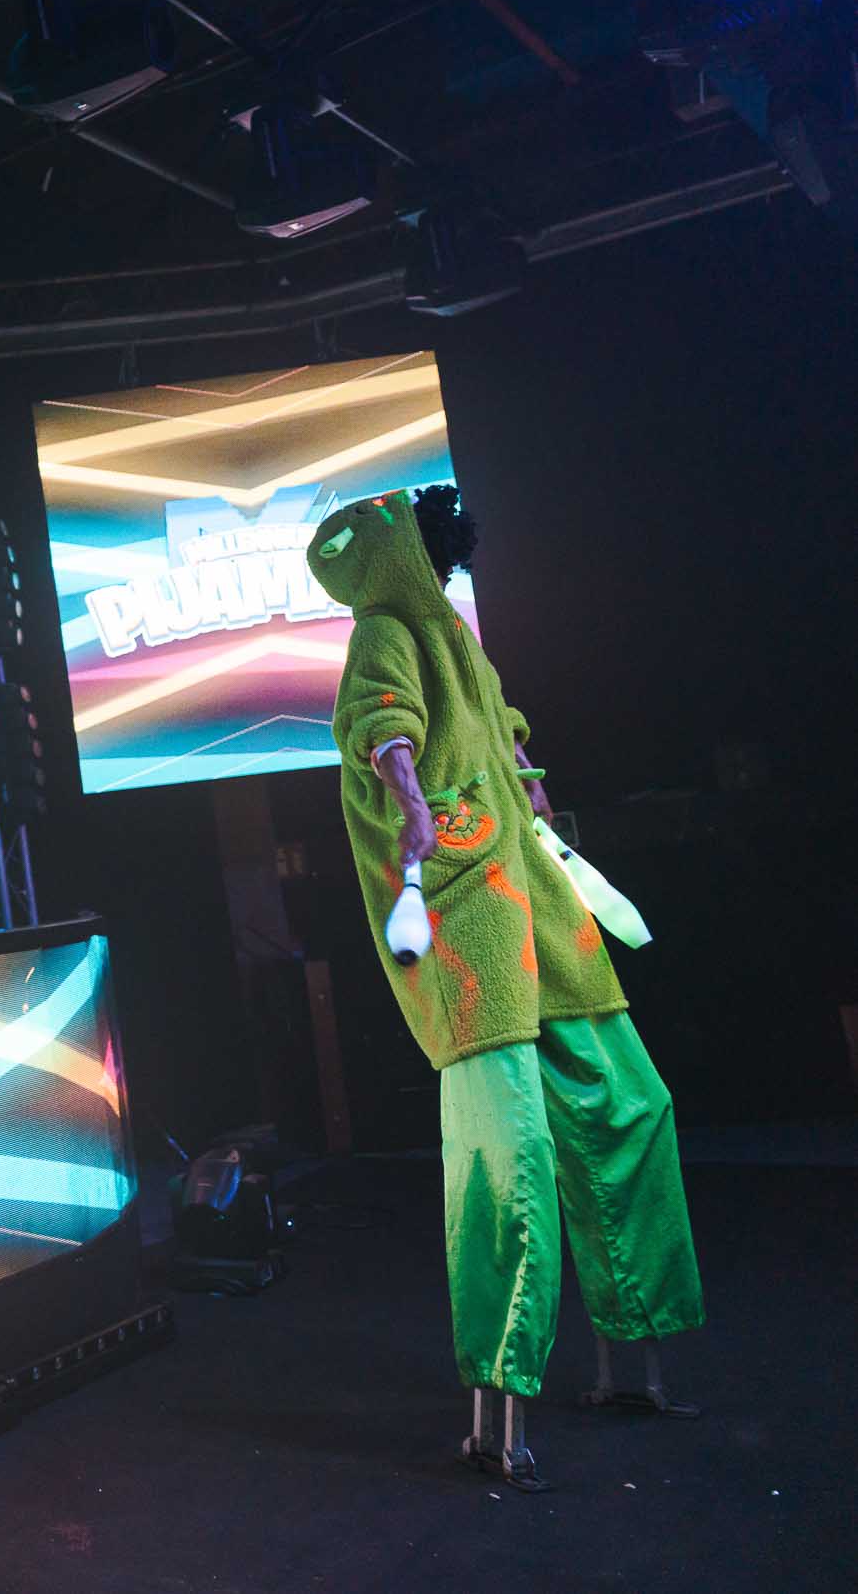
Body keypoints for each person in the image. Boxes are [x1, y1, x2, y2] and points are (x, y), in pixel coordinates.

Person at [310, 484, 704, 1494]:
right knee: (510, 1156)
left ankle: (632, 1357)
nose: (447, 553)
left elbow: (501, 730)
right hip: (471, 916)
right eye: (433, 539)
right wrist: (410, 801)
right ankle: (498, 1409)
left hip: (537, 898)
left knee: (631, 1105)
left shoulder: (457, 634)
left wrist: (535, 793)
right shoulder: (386, 631)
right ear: (404, 550)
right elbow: (382, 725)